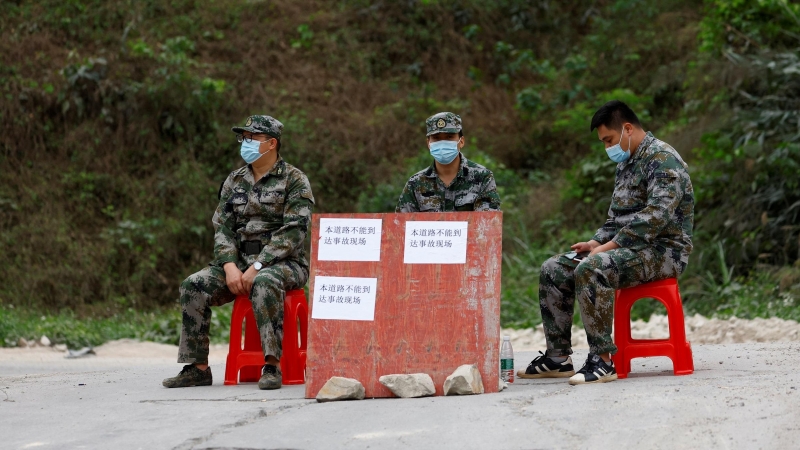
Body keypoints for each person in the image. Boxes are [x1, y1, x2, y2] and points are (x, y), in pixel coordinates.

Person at [518, 100, 694, 385]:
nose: (607, 148)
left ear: (627, 128)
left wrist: (606, 249)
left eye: (608, 140)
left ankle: (603, 361)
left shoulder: (663, 159)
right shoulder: (626, 163)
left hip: (663, 252)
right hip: (628, 248)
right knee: (554, 268)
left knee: (593, 267)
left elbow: (654, 219)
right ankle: (558, 358)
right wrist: (594, 242)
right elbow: (616, 219)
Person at [163, 115, 314, 390]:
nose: (245, 143)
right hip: (238, 263)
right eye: (243, 137)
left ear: (271, 143)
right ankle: (197, 368)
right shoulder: (234, 181)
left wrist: (258, 266)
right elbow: (222, 228)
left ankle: (271, 365)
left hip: (284, 263)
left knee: (265, 281)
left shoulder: (295, 180)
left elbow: (294, 232)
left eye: (252, 138)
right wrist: (230, 266)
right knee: (193, 285)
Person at [396, 112, 501, 213]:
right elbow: (402, 226)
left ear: (461, 141)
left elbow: (487, 224)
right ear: (428, 143)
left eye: (449, 137)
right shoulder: (415, 184)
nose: (442, 143)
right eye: (436, 138)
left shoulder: (482, 177)